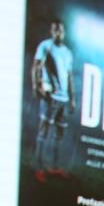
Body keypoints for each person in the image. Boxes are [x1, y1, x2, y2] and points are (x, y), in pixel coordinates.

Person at [31, 19, 76, 182]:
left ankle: (54, 167)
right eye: (55, 30)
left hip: (64, 99)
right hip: (51, 96)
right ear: (51, 31)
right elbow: (36, 66)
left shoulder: (67, 52)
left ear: (64, 33)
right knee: (43, 131)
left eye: (61, 31)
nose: (58, 33)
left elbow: (70, 76)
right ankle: (39, 169)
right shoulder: (45, 46)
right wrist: (37, 87)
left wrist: (72, 99)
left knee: (59, 134)